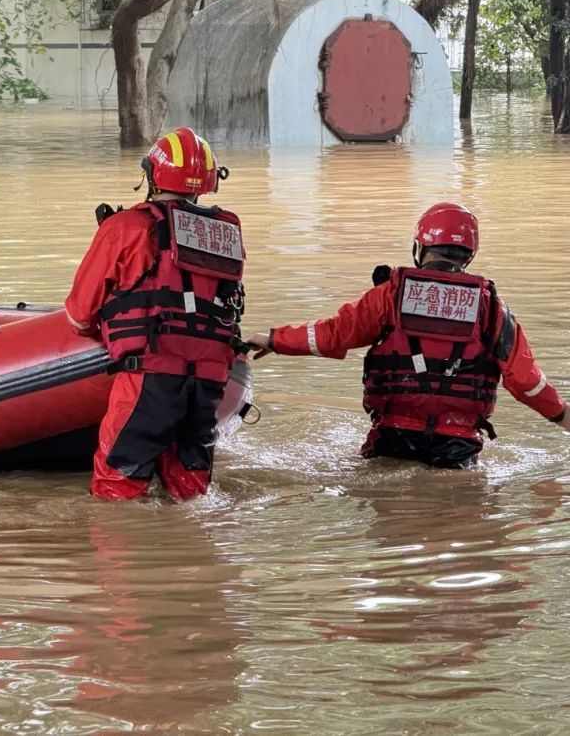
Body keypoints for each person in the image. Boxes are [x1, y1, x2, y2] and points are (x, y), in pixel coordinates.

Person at [247, 202, 570, 467]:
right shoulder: (492, 310)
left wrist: (275, 339)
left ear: (420, 246)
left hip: (391, 437)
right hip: (457, 448)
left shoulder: (390, 295)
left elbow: (334, 334)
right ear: (469, 255)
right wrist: (563, 416)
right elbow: (527, 382)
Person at [65, 127, 244, 501]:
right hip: (210, 382)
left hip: (149, 377)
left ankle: (127, 554)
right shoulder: (226, 232)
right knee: (191, 489)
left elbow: (81, 315)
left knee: (118, 484)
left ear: (152, 174)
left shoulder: (125, 226)